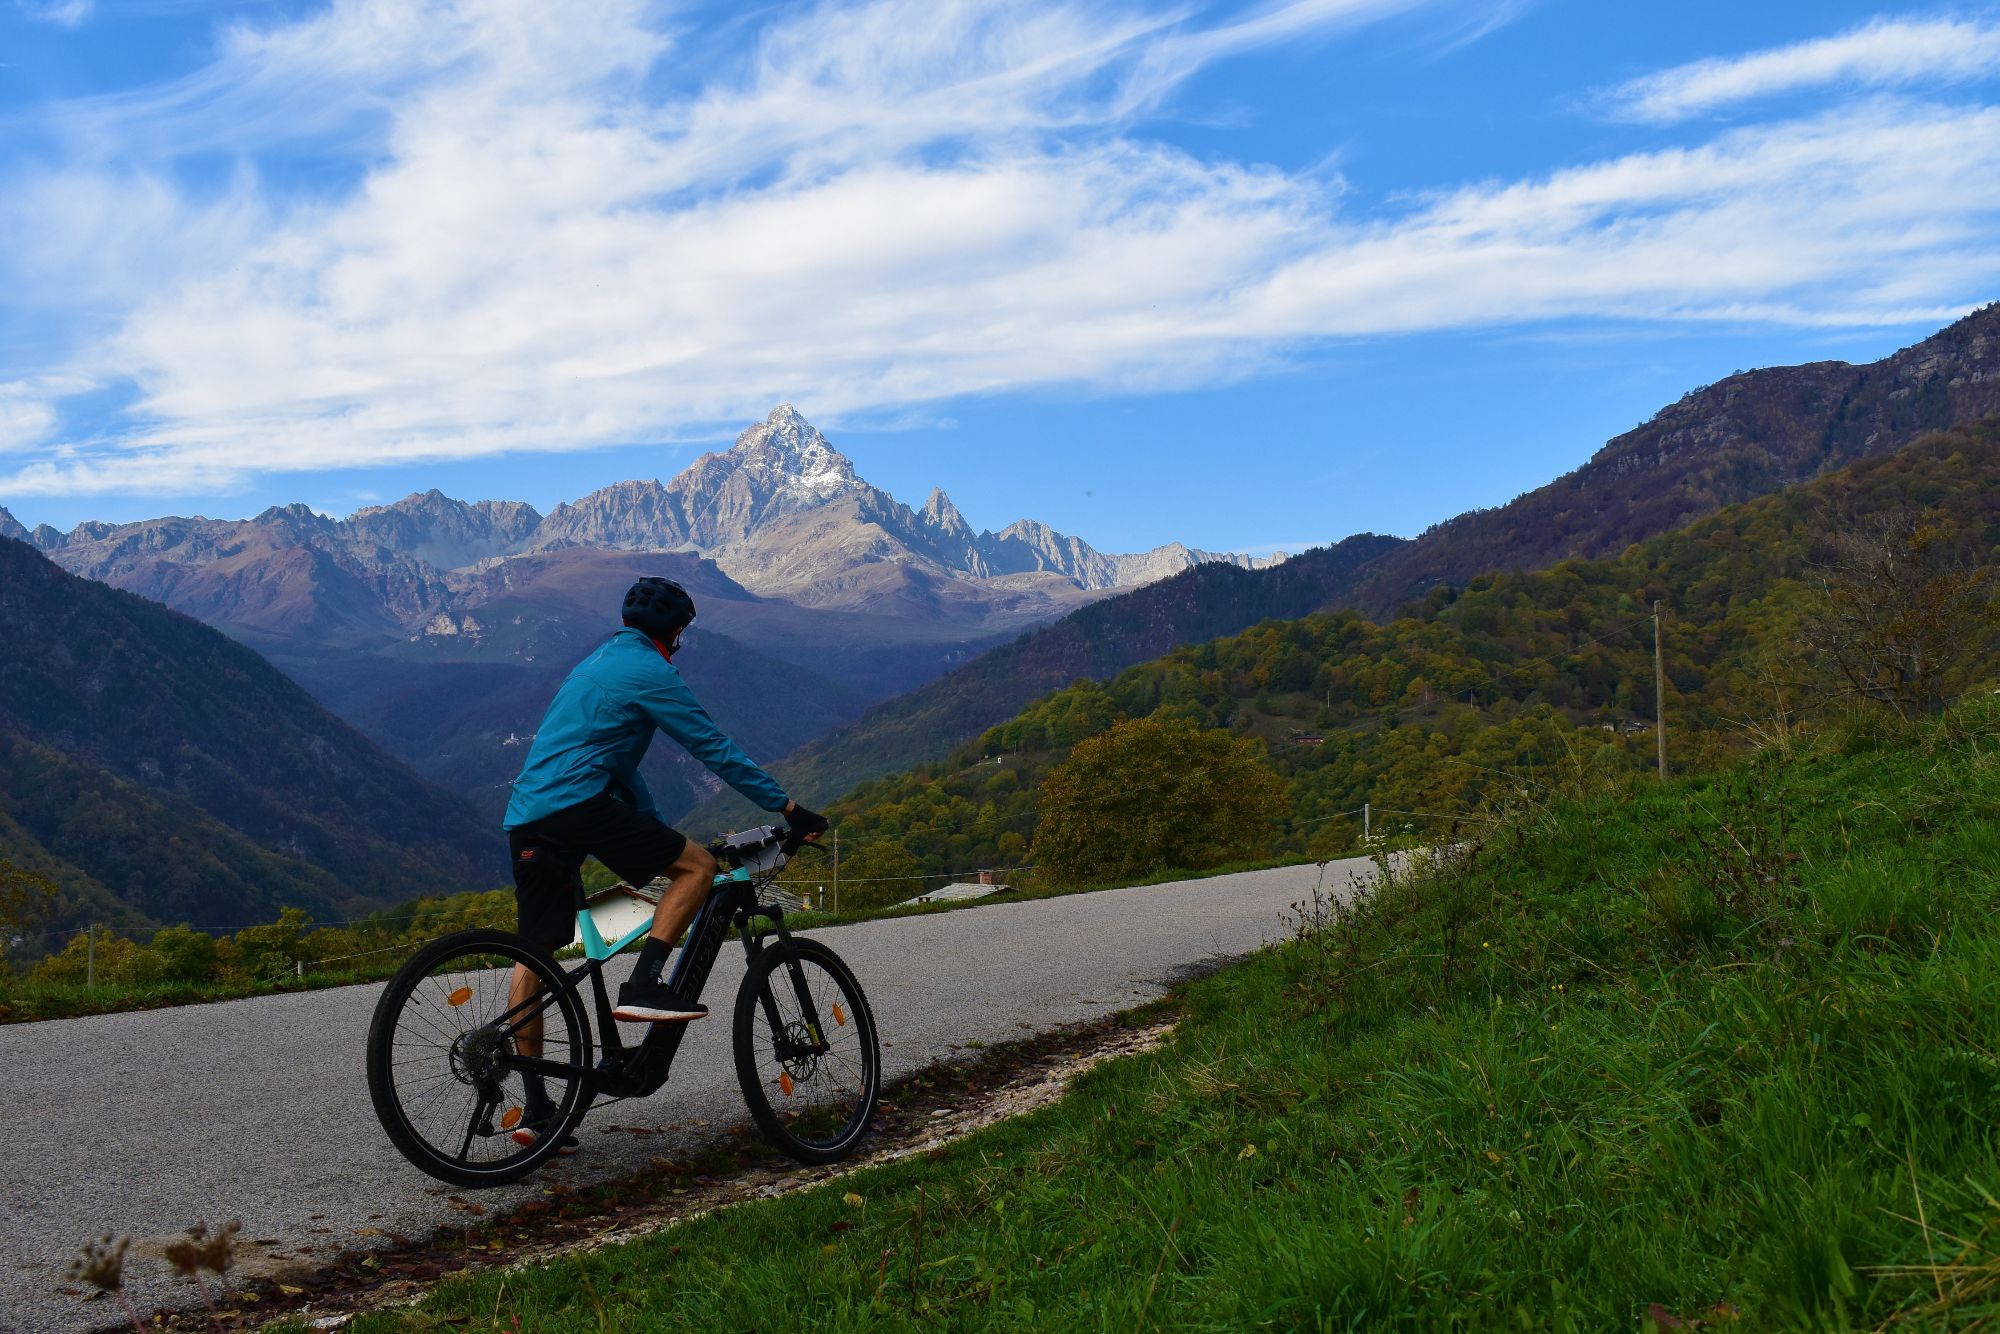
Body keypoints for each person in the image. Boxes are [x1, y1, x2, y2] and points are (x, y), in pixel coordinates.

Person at [500, 575, 827, 1149]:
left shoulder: (598, 663)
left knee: (535, 956)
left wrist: (653, 828)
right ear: (676, 632)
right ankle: (646, 982)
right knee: (698, 870)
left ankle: (536, 1107)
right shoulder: (654, 672)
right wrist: (789, 808)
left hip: (528, 815)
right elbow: (715, 749)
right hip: (579, 806)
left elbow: (617, 760)